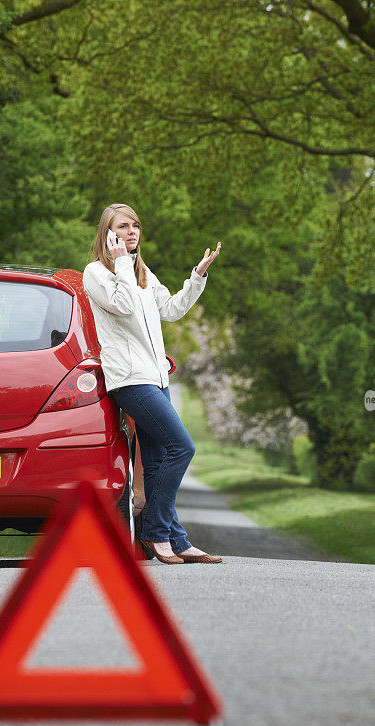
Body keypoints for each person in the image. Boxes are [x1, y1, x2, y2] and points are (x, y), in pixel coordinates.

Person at [82, 202, 222, 564]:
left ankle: (176, 540)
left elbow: (172, 310)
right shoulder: (96, 273)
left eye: (135, 226)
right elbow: (124, 306)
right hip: (130, 380)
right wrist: (123, 263)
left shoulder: (143, 274)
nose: (130, 232)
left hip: (156, 377)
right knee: (182, 447)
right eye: (122, 227)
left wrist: (198, 277)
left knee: (159, 459)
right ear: (107, 234)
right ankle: (155, 533)